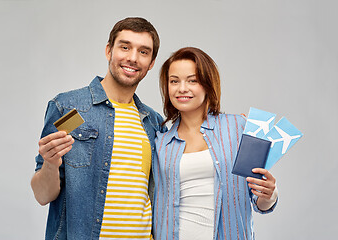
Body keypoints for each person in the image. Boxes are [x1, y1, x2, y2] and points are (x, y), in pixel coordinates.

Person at [31, 17, 166, 239]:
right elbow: (42, 195)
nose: (132, 58)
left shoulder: (154, 123)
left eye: (143, 52)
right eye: (125, 47)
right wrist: (50, 164)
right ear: (108, 51)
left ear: (151, 63)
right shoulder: (68, 107)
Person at [152, 47, 278, 240]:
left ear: (207, 84)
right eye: (174, 81)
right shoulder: (161, 143)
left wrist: (269, 195)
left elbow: (260, 202)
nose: (182, 88)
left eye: (192, 80)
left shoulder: (238, 127)